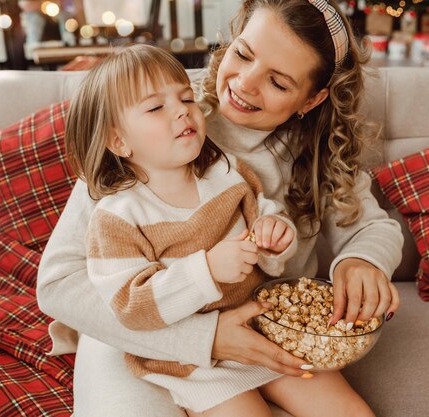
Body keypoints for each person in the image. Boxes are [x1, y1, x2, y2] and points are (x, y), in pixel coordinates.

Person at [37, 1, 404, 416]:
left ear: (312, 99)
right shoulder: (156, 114)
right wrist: (203, 336)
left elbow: (374, 227)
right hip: (139, 336)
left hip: (264, 326)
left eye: (279, 83)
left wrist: (362, 260)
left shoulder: (316, 150)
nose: (245, 84)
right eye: (242, 54)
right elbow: (59, 283)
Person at [65, 43, 303, 414]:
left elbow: (264, 217)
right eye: (156, 107)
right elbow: (132, 306)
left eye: (187, 98)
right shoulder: (117, 217)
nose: (182, 111)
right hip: (191, 363)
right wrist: (205, 270)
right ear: (119, 141)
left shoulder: (228, 173)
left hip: (261, 329)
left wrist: (276, 235)